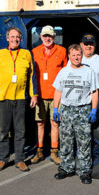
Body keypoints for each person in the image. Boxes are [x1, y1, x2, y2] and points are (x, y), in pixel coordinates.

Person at [0, 27, 38, 172]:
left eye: (18, 37)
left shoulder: (26, 53)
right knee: (3, 131)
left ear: (20, 39)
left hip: (21, 98)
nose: (15, 39)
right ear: (7, 38)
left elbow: (32, 76)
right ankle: (3, 159)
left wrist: (34, 94)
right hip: (3, 98)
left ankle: (20, 159)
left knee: (20, 131)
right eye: (12, 36)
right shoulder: (0, 54)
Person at [52, 44, 99, 184]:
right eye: (73, 55)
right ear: (69, 56)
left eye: (78, 55)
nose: (76, 57)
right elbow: (58, 91)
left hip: (83, 109)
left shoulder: (89, 71)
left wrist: (94, 109)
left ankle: (84, 171)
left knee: (84, 141)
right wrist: (56, 108)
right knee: (66, 140)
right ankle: (66, 168)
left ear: (81, 55)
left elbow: (94, 92)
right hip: (66, 109)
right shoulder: (63, 72)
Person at [31, 25, 67, 165]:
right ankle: (39, 151)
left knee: (55, 123)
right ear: (40, 37)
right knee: (40, 123)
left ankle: (54, 152)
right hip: (39, 94)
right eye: (45, 36)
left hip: (56, 95)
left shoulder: (62, 51)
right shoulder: (34, 52)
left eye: (50, 36)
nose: (47, 38)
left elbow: (65, 73)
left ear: (54, 37)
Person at [77, 34, 99, 118]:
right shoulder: (75, 59)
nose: (89, 46)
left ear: (95, 45)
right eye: (86, 44)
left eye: (91, 44)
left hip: (95, 105)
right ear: (81, 45)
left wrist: (94, 96)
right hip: (77, 104)